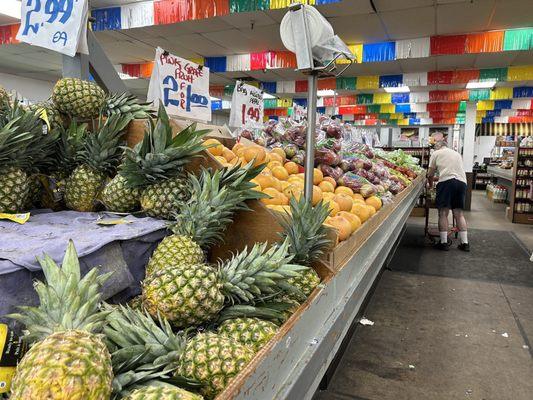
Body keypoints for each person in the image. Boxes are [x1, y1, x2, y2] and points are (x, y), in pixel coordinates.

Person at [427, 140, 469, 252]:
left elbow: (430, 173)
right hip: (462, 183)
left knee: (443, 213)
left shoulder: (436, 153)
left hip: (446, 182)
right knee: (459, 214)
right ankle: (465, 243)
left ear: (437, 146)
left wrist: (430, 186)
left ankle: (444, 242)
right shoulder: (456, 153)